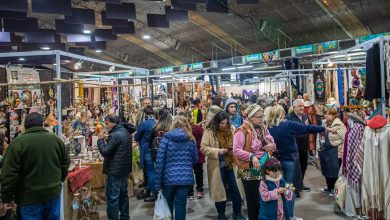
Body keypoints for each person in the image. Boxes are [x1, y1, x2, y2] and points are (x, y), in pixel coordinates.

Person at [1, 112, 70, 219]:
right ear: (42, 124)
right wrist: (58, 179)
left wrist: (7, 197)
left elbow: (9, 174)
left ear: (25, 126)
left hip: (28, 199)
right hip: (52, 195)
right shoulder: (55, 140)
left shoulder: (18, 144)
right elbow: (66, 162)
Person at [267, 105, 330, 219]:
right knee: (289, 188)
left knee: (278, 188)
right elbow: (307, 128)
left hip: (274, 162)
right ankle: (289, 216)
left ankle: (281, 215)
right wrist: (324, 128)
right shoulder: (287, 124)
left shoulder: (268, 127)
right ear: (281, 114)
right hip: (289, 160)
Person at [233, 104, 276, 220]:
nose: (262, 119)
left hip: (264, 168)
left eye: (262, 116)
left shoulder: (262, 128)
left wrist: (272, 145)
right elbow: (236, 150)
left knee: (265, 197)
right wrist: (251, 156)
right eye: (259, 117)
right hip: (249, 170)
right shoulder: (242, 131)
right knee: (253, 202)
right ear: (250, 117)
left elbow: (272, 141)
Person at [201, 111, 243, 220]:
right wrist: (219, 151)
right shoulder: (209, 131)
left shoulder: (232, 129)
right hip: (217, 166)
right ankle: (221, 214)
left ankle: (237, 212)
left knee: (236, 190)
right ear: (216, 122)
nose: (224, 126)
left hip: (232, 164)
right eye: (221, 124)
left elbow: (238, 145)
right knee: (220, 191)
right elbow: (203, 147)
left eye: (225, 123)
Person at [155, 116, 198, 220]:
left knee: (167, 206)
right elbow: (195, 159)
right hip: (185, 179)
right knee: (180, 206)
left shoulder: (166, 139)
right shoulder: (191, 140)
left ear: (173, 125)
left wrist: (157, 184)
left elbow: (160, 162)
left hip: (168, 179)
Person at [97, 115, 134, 220]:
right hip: (123, 170)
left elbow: (105, 152)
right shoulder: (125, 132)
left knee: (113, 199)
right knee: (123, 196)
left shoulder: (115, 135)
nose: (106, 126)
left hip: (115, 171)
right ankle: (125, 217)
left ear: (113, 124)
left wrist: (100, 140)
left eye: (107, 123)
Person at [285, 99, 311, 194]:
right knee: (294, 168)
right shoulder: (288, 117)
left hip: (304, 146)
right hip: (293, 147)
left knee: (303, 166)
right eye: (300, 106)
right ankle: (293, 188)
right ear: (294, 107)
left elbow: (308, 127)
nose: (302, 108)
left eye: (303, 106)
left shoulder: (305, 116)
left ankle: (300, 184)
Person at [319, 108, 346, 196]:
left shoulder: (339, 125)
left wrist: (342, 152)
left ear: (334, 116)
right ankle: (329, 187)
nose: (326, 115)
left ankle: (335, 190)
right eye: (325, 114)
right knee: (326, 170)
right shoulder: (325, 124)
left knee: (334, 172)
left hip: (335, 152)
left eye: (328, 114)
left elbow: (345, 139)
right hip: (325, 150)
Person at [134, 105, 157, 202]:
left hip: (146, 150)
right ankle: (149, 191)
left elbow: (136, 137)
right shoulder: (156, 123)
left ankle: (153, 193)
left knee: (150, 172)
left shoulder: (144, 124)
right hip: (155, 150)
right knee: (151, 171)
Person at [183, 112, 205, 200]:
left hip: (187, 155)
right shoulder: (197, 128)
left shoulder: (183, 130)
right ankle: (199, 190)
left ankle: (190, 193)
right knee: (199, 173)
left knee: (189, 174)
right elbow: (203, 138)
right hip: (198, 153)